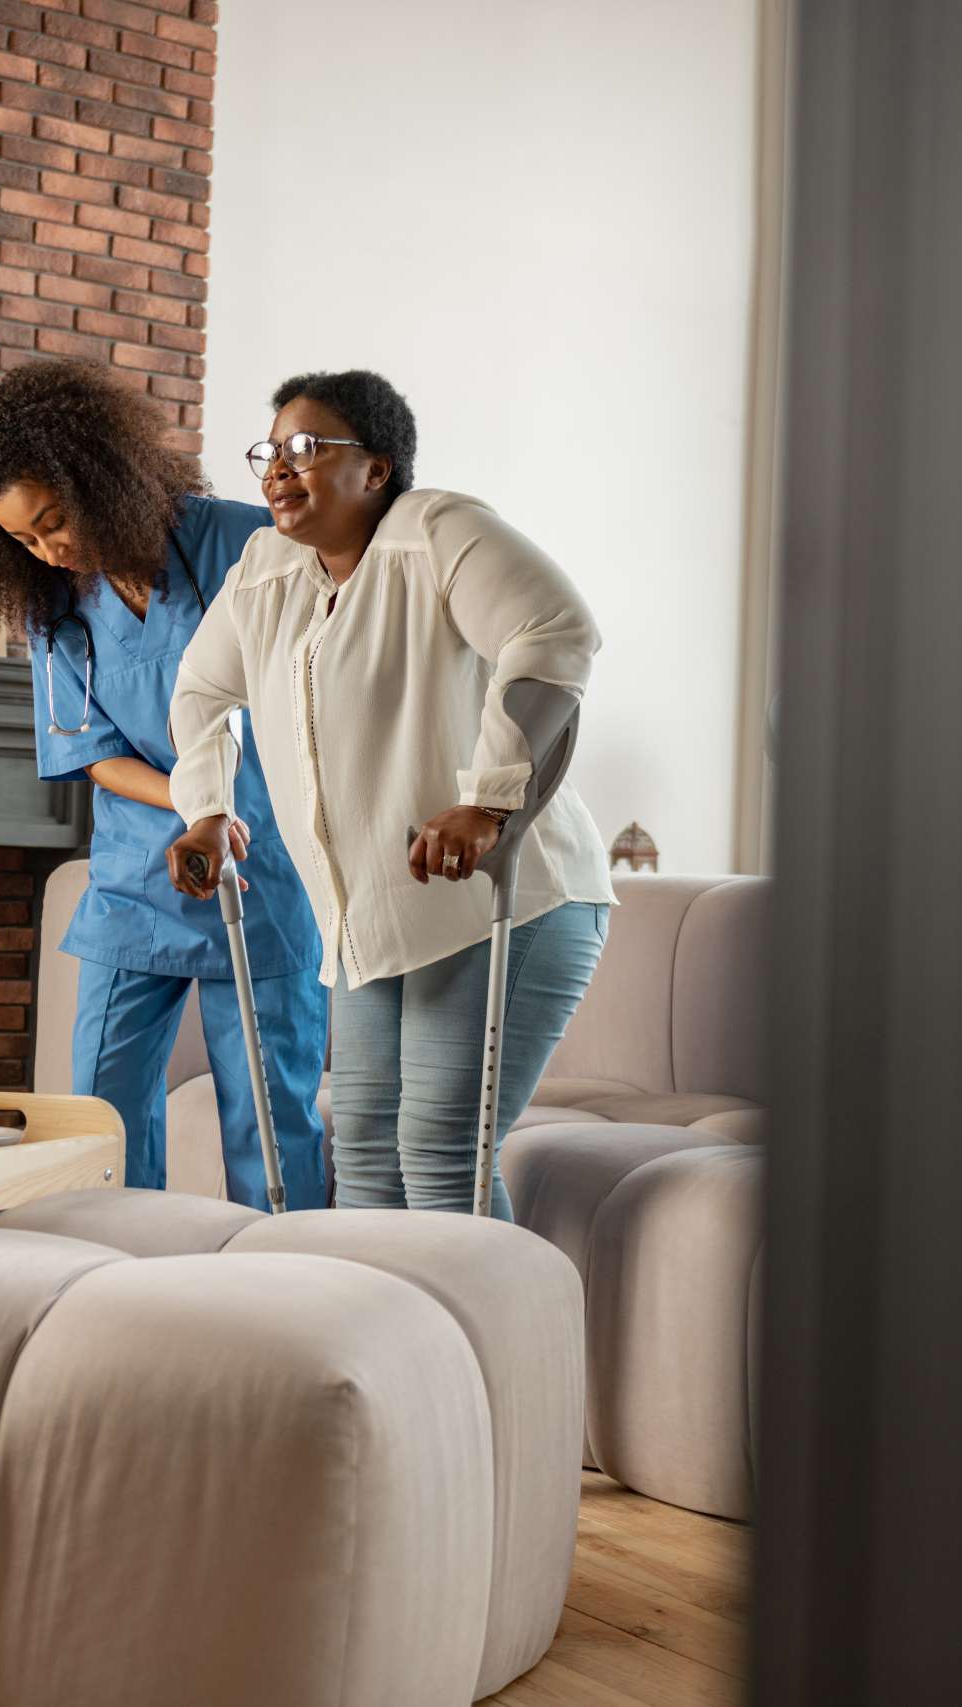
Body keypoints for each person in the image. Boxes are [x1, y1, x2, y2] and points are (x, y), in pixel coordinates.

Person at [166, 371, 614, 1218]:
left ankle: (494, 1350)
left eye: (306, 448)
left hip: (505, 900)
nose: (277, 469)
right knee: (366, 1153)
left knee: (441, 1153)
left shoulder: (436, 531)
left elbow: (555, 629)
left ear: (376, 469)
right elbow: (198, 691)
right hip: (375, 920)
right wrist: (208, 809)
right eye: (269, 450)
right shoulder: (268, 570)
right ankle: (389, 1346)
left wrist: (487, 802)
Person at [0, 361, 327, 1210]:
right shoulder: (57, 608)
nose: (50, 550)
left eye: (55, 521)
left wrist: (226, 808)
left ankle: (288, 1282)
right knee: (101, 1108)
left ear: (100, 476)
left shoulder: (245, 543)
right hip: (135, 870)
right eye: (24, 539)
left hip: (262, 865)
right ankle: (121, 1277)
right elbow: (91, 751)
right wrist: (194, 803)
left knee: (269, 1117)